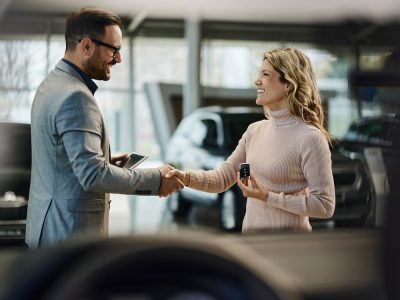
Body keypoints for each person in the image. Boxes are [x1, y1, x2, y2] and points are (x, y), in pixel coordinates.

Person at [26, 7, 183, 249]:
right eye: (114, 49)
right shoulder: (75, 97)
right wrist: (156, 180)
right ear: (86, 46)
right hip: (68, 234)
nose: (118, 59)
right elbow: (92, 175)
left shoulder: (51, 84)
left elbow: (61, 159)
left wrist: (105, 160)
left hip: (48, 228)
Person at [167, 48, 335, 233]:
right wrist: (185, 177)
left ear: (288, 83)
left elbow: (324, 205)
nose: (257, 81)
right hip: (253, 243)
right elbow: (222, 179)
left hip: (289, 249)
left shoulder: (310, 137)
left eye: (265, 74)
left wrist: (267, 197)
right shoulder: (255, 130)